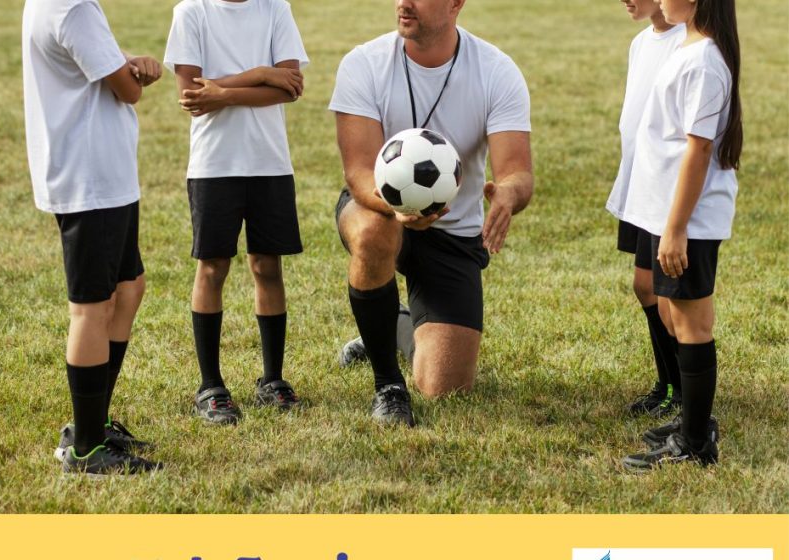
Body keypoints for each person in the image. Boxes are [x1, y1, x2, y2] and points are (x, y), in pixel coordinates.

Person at [329, 0, 533, 426]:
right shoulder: (364, 64)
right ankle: (388, 385)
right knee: (371, 233)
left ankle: (395, 326)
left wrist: (507, 195)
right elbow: (359, 171)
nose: (403, 2)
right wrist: (396, 206)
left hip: (453, 232)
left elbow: (516, 172)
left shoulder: (495, 70)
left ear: (456, 3)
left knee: (445, 386)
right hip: (379, 209)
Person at [22, 0, 163, 474]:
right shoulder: (73, 7)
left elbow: (101, 64)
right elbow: (127, 91)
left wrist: (124, 63)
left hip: (103, 176)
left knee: (129, 287)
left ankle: (93, 423)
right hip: (90, 179)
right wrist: (135, 74)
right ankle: (85, 450)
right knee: (91, 306)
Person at [163, 0, 309, 424]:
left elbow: (291, 87)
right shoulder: (191, 12)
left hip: (270, 162)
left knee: (268, 265)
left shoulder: (274, 9)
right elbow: (191, 95)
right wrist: (262, 74)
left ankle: (273, 379)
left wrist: (224, 92)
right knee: (213, 267)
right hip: (215, 165)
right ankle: (211, 386)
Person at [621, 0, 742, 469]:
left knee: (692, 324)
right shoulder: (686, 48)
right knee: (672, 315)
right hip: (661, 213)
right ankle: (692, 422)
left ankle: (695, 444)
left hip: (684, 221)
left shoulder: (706, 61)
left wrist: (676, 229)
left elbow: (698, 150)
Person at [607, 0, 686, 418]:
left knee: (671, 296)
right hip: (639, 187)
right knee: (644, 286)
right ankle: (668, 381)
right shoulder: (641, 43)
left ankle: (682, 390)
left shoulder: (686, 44)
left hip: (665, 192)